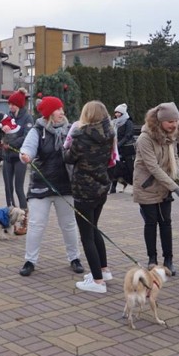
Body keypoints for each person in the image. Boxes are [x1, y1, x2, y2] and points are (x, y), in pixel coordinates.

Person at [18, 96, 84, 277]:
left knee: (69, 224)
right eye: (58, 109)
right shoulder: (37, 131)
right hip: (41, 185)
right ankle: (30, 261)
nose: (62, 112)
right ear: (48, 113)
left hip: (65, 185)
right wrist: (25, 155)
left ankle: (74, 258)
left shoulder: (71, 130)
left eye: (62, 109)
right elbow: (27, 148)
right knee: (36, 225)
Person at [133, 102, 179, 276]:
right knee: (151, 223)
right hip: (147, 187)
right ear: (160, 121)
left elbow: (173, 160)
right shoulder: (145, 138)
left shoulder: (170, 136)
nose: (174, 125)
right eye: (170, 121)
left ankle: (168, 260)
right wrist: (175, 188)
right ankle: (152, 259)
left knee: (166, 223)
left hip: (164, 187)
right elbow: (153, 168)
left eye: (176, 121)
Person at [63, 101, 115, 293]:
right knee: (94, 229)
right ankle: (103, 269)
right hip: (101, 187)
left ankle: (98, 281)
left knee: (87, 236)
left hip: (84, 190)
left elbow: (69, 157)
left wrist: (64, 147)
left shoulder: (81, 136)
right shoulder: (109, 134)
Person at [0, 88, 34, 235]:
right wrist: (0, 131)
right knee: (8, 189)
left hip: (19, 157)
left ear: (20, 104)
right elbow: (0, 132)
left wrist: (11, 144)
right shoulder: (9, 116)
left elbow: (27, 137)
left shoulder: (27, 118)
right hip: (7, 157)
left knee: (18, 188)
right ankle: (9, 220)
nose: (10, 107)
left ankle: (24, 222)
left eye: (13, 104)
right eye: (9, 104)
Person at [109, 103, 135, 193]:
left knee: (130, 168)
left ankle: (135, 187)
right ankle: (113, 187)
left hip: (127, 148)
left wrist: (119, 143)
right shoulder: (115, 122)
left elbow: (128, 135)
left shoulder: (128, 122)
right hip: (117, 147)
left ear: (123, 113)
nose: (116, 114)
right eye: (116, 112)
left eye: (118, 112)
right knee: (115, 167)